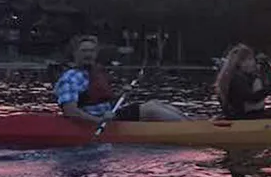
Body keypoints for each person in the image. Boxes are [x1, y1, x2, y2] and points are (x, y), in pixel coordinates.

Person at [55, 35, 190, 123]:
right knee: (150, 110)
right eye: (84, 51)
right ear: (75, 53)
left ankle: (192, 124)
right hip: (96, 121)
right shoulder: (69, 78)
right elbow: (70, 111)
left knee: (154, 103)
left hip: (110, 116)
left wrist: (120, 93)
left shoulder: (94, 72)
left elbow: (100, 99)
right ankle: (192, 130)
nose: (88, 54)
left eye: (91, 51)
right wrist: (98, 120)